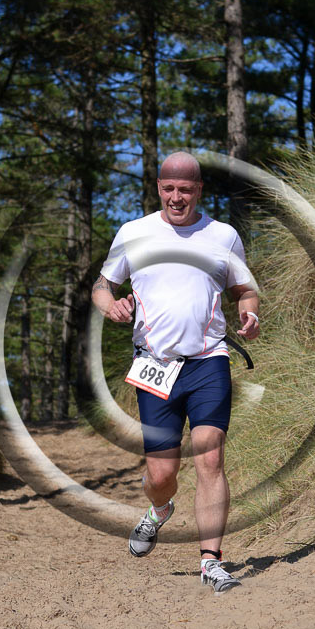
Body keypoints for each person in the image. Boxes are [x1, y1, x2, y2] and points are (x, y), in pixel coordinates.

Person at [91, 151, 259, 593]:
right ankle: (159, 509)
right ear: (158, 188)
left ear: (199, 190)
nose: (177, 197)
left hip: (209, 361)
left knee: (210, 456)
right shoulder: (134, 233)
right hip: (155, 367)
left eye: (186, 189)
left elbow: (244, 289)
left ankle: (211, 562)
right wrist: (111, 306)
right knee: (162, 476)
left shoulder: (222, 235)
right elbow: (102, 286)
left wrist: (250, 312)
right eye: (169, 189)